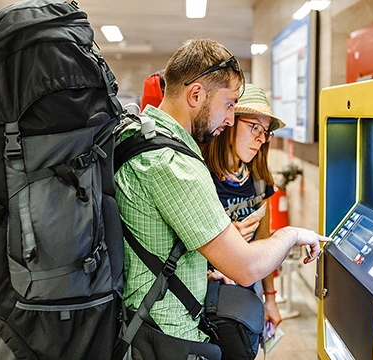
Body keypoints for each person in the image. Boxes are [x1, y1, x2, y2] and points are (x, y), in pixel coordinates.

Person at [115, 38, 327, 344]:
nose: (229, 119)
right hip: (168, 337)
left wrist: (208, 266)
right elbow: (247, 267)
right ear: (196, 94)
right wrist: (291, 234)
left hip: (149, 327)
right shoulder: (173, 164)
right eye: (228, 105)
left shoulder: (141, 133)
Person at [200, 84, 286, 331]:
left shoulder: (259, 180)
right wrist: (226, 240)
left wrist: (270, 298)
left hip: (246, 297)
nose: (261, 138)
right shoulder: (201, 176)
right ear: (230, 122)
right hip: (205, 297)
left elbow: (264, 242)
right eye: (254, 127)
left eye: (266, 132)